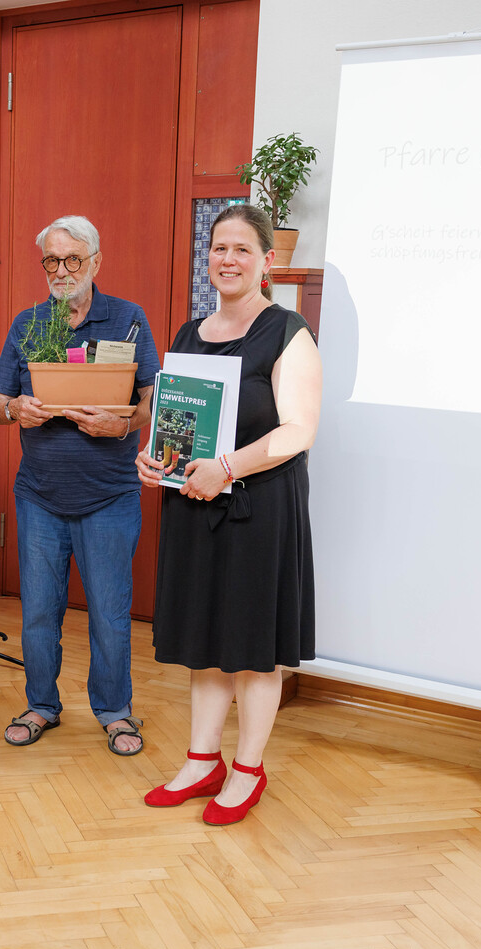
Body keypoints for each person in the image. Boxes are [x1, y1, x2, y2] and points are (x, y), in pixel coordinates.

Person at [136, 203, 321, 826]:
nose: (228, 259)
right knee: (206, 641)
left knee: (252, 647)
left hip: (258, 510)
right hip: (195, 506)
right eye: (219, 248)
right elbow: (176, 422)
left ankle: (247, 770)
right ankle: (201, 762)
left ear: (267, 260)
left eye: (243, 249)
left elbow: (298, 431)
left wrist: (227, 468)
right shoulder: (190, 333)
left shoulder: (289, 331)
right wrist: (155, 457)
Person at [0, 215, 159, 756]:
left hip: (109, 496)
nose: (61, 270)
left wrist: (123, 425)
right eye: (52, 260)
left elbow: (151, 400)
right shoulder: (28, 323)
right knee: (39, 613)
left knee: (109, 614)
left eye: (72, 259)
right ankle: (41, 705)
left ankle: (114, 712)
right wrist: (16, 409)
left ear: (95, 262)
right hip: (39, 496)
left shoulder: (128, 319)